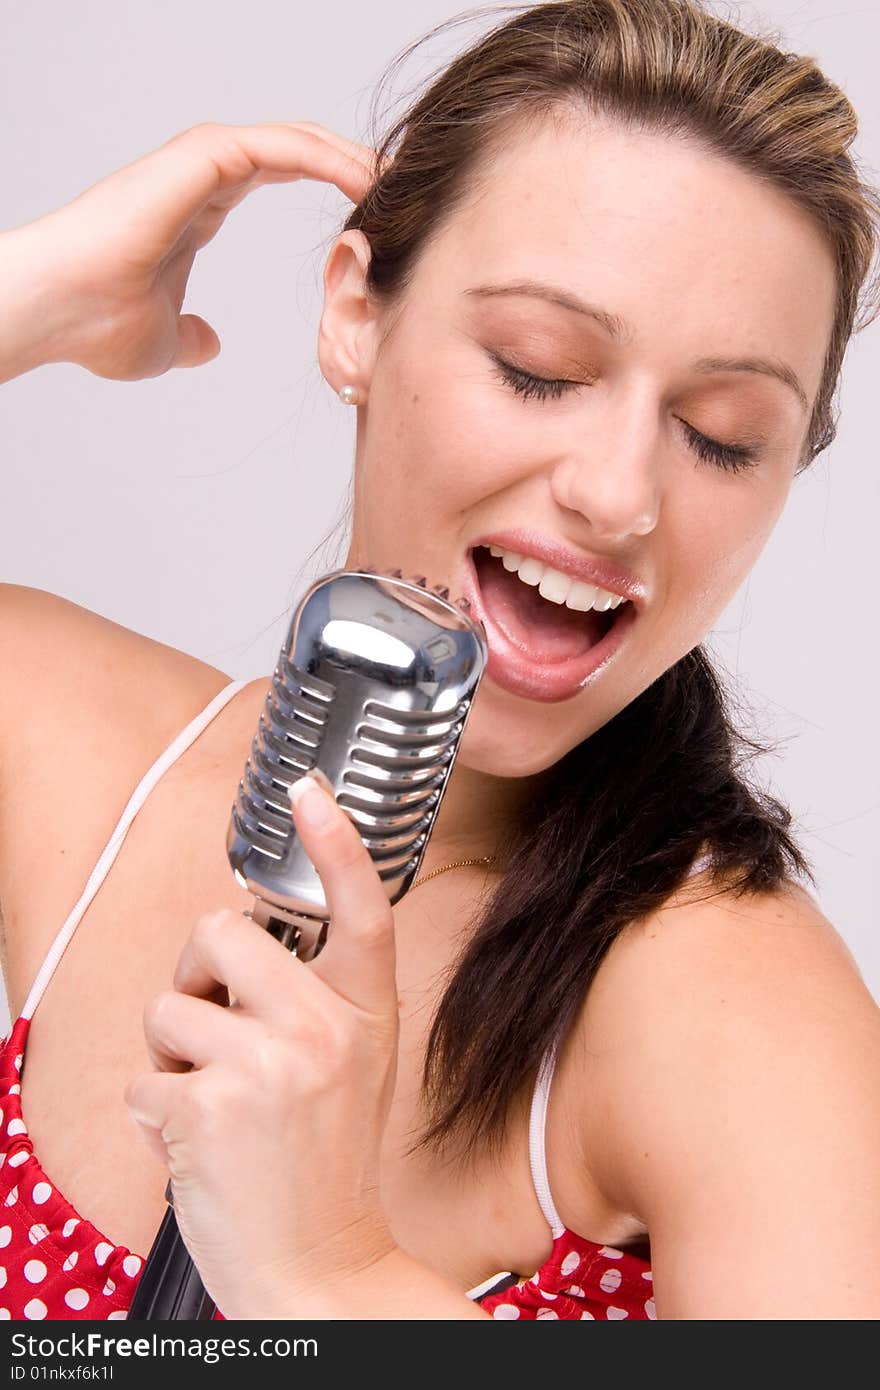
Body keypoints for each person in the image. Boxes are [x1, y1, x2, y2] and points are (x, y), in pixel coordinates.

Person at [1, 0, 879, 1322]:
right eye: (539, 367)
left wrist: (332, 1271)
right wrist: (32, 298)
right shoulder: (91, 763)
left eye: (721, 434)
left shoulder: (733, 1007)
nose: (619, 492)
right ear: (356, 314)